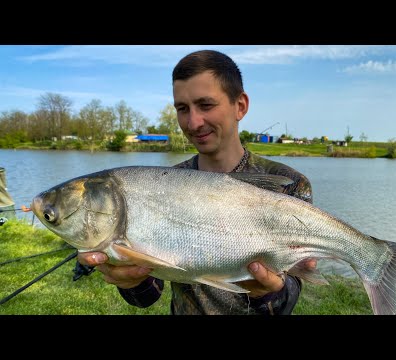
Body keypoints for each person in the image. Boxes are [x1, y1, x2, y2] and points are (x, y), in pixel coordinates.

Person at [78, 50, 317, 315]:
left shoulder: (290, 185)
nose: (193, 122)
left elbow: (289, 297)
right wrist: (129, 279)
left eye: (206, 105)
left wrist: (271, 291)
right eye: (182, 108)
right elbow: (146, 297)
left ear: (240, 106)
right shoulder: (163, 186)